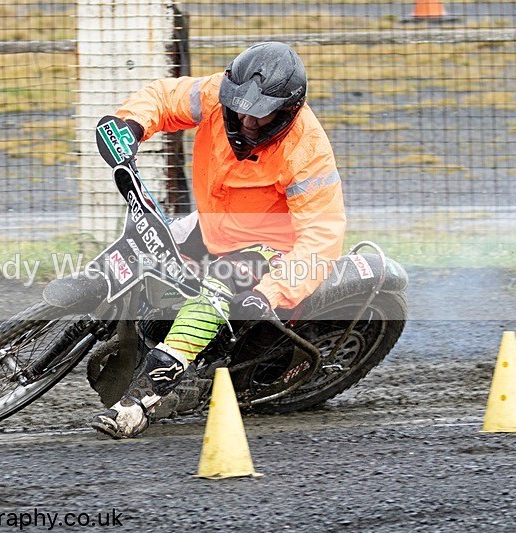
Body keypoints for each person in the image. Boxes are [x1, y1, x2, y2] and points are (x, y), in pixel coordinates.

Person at [91, 42, 347, 439]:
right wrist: (132, 126)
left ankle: (140, 401)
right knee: (145, 249)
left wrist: (271, 292)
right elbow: (164, 97)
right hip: (214, 224)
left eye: (259, 116)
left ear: (287, 112)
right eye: (239, 107)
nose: (245, 119)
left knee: (215, 291)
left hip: (270, 248)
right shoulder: (217, 95)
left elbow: (322, 236)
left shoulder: (308, 151)